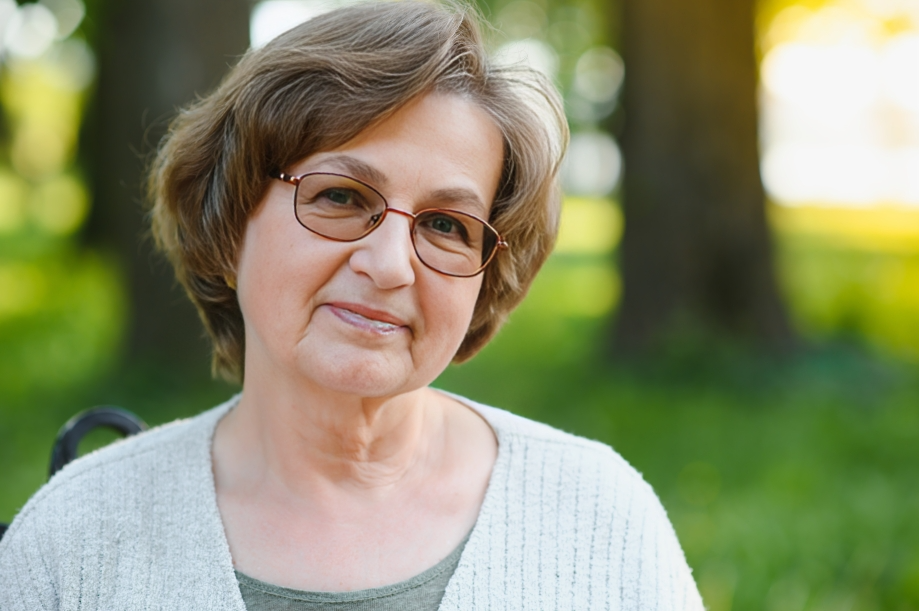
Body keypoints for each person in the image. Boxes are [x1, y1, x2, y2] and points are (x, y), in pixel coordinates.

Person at [0, 2, 704, 609]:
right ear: (230, 215)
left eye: (445, 225)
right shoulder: (79, 538)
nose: (391, 264)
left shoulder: (600, 522)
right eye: (340, 197)